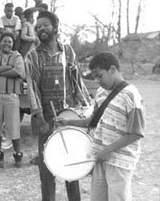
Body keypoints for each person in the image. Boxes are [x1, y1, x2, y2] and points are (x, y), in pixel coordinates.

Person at [57, 52, 145, 201]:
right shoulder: (101, 92)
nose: (98, 81)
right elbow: (93, 121)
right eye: (95, 77)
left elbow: (136, 133)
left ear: (112, 70)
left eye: (100, 76)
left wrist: (108, 149)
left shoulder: (131, 95)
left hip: (120, 162)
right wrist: (68, 122)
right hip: (101, 158)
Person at [25, 10, 91, 201]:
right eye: (38, 27)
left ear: (55, 27)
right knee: (47, 169)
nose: (41, 29)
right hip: (47, 118)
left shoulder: (68, 51)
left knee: (72, 166)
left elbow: (77, 81)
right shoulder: (33, 56)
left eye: (45, 25)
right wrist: (40, 119)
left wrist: (86, 107)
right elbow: (32, 88)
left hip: (69, 117)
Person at [0, 32, 26, 168]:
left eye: (10, 41)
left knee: (13, 125)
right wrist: (8, 68)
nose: (7, 44)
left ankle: (18, 155)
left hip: (11, 95)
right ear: (0, 42)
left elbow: (18, 72)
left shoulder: (17, 56)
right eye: (4, 41)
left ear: (12, 43)